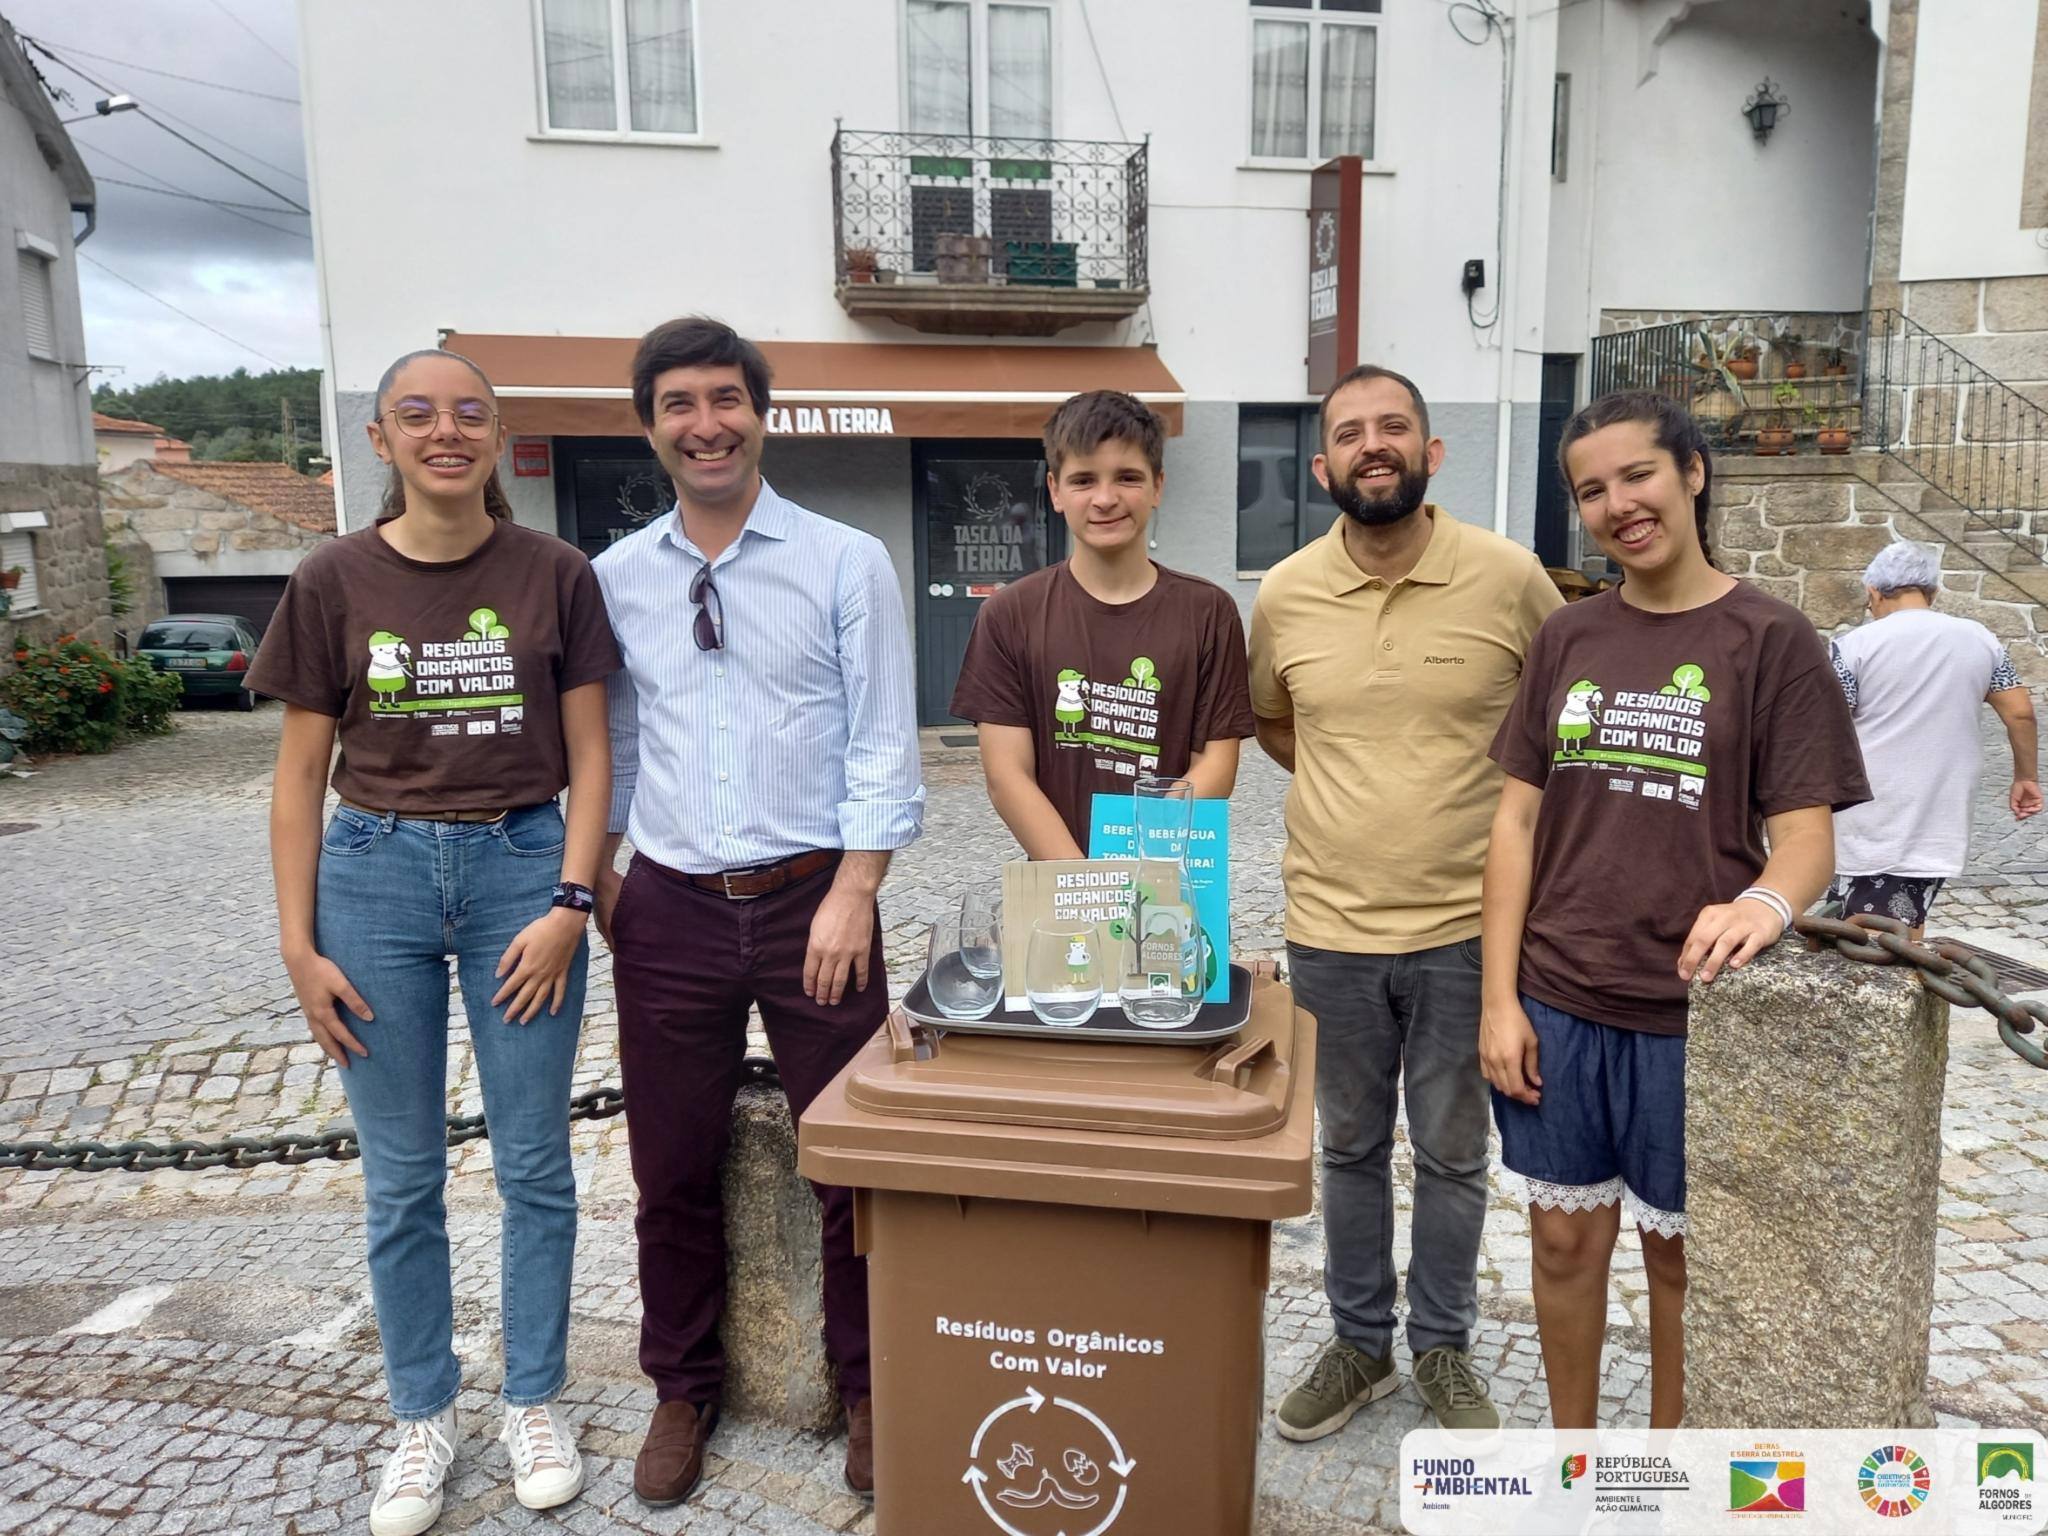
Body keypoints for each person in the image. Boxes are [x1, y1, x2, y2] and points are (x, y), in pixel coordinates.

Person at [252, 349, 620, 1536]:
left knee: (533, 1168)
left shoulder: (553, 572)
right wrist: (299, 947)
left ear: (496, 433)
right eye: (418, 414)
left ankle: (532, 1399)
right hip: (376, 881)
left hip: (522, 869)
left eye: (467, 413)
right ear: (381, 441)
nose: (444, 432)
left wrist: (571, 904)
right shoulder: (331, 578)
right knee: (401, 1177)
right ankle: (421, 1415)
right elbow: (300, 774)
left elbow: (591, 753)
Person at [1480, 391, 1869, 1429]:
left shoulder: (1771, 640)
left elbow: (1804, 840)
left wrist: (1761, 905)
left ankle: (1669, 1471)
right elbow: (1513, 825)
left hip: (1693, 1015)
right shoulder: (1565, 639)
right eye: (1590, 490)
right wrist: (1496, 1002)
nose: (1617, 505)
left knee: (1678, 1257)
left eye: (1635, 476)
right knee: (1561, 1242)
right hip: (1557, 997)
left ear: (1691, 472)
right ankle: (1571, 1460)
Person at [591, 317, 924, 1507]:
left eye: (725, 399)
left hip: (812, 905)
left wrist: (855, 889)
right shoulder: (618, 577)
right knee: (668, 1169)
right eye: (677, 403)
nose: (705, 423)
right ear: (649, 426)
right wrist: (611, 876)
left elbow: (883, 739)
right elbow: (617, 741)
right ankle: (682, 1388)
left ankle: (871, 1384)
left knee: (852, 1162)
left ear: (761, 413)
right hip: (669, 912)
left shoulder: (845, 561)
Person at [1251, 365, 1563, 1441]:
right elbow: (1278, 725)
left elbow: (1552, 739)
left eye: (1393, 428)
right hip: (1327, 929)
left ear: (1431, 453)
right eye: (1348, 432)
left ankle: (1440, 1349)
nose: (1369, 445)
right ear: (1321, 465)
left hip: (1466, 932)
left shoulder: (1511, 578)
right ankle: (1357, 1346)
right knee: (1341, 1149)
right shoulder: (1285, 590)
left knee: (1449, 1152)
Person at [950, 389, 1256, 855]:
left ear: (1158, 486)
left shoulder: (1208, 612)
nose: (1105, 498)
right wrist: (1086, 883)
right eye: (1083, 480)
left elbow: (1215, 764)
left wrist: (1139, 868)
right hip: (1058, 883)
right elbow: (1007, 776)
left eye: (1128, 477)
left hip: (1165, 875)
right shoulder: (1009, 614)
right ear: (1055, 491)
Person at [1825, 540, 2041, 936]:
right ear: (1933, 592)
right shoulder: (1981, 639)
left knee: (1860, 926)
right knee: (1906, 917)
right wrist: (2025, 777)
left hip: (1869, 806)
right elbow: (2021, 712)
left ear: (1874, 591)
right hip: (1940, 808)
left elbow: (1827, 726)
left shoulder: (1852, 646)